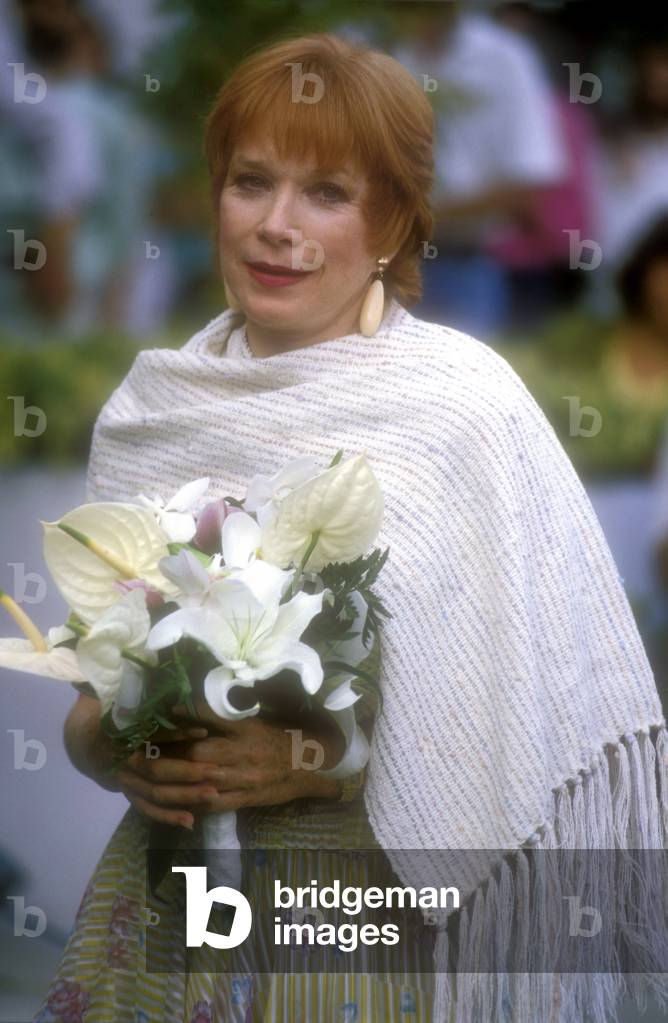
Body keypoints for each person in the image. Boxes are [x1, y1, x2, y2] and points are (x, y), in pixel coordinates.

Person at [35, 33, 668, 1023]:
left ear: (392, 224)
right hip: (164, 915)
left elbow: (495, 719)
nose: (274, 226)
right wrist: (110, 753)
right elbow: (85, 706)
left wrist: (304, 760)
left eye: (325, 193)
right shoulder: (152, 409)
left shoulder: (461, 406)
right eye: (251, 183)